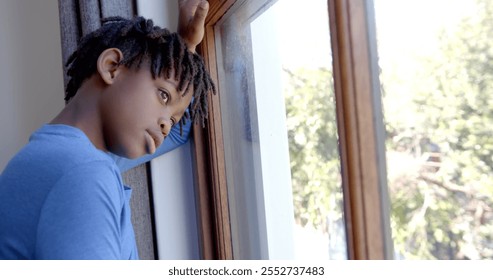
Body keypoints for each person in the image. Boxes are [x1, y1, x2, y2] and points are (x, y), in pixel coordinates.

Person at [0, 0, 213, 259]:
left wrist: (185, 48)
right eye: (164, 96)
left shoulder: (59, 154)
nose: (167, 124)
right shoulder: (83, 174)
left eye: (173, 119)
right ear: (112, 67)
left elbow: (183, 130)